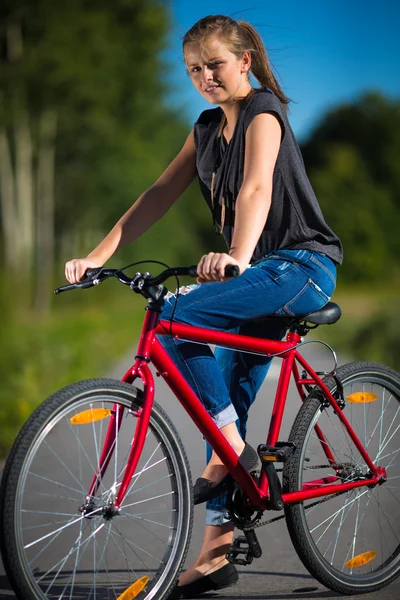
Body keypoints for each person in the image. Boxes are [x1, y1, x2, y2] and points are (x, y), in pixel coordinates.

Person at [65, 14, 343, 599]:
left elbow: (256, 189)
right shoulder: (205, 128)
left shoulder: (264, 111)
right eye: (194, 69)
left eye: (215, 64)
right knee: (223, 405)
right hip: (263, 274)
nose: (205, 77)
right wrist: (95, 255)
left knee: (181, 316)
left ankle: (235, 454)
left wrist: (238, 254)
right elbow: (158, 194)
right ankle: (217, 554)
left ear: (243, 62)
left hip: (300, 267)